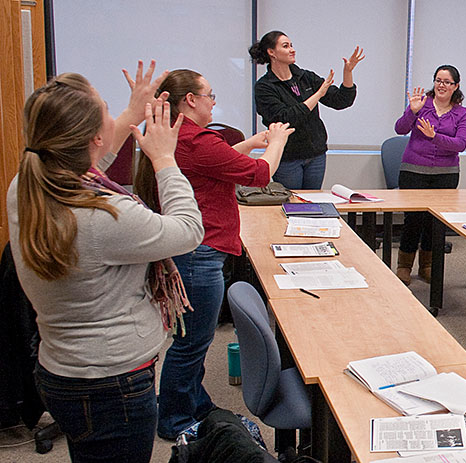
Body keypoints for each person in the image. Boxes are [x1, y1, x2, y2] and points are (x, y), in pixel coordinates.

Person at [10, 69, 203, 463]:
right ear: (92, 145)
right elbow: (186, 232)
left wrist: (126, 113)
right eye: (106, 122)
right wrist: (167, 162)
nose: (113, 129)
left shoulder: (30, 183)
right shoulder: (105, 218)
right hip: (112, 387)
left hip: (64, 374)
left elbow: (90, 146)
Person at [132, 69, 294, 440]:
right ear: (191, 100)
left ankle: (194, 402)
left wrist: (254, 140)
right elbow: (259, 175)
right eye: (210, 95)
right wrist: (277, 141)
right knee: (191, 345)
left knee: (194, 340)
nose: (214, 101)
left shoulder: (184, 138)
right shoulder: (196, 140)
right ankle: (174, 419)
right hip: (199, 255)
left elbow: (220, 162)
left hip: (194, 252)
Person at [249, 31, 363, 189]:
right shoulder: (265, 86)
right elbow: (285, 118)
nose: (292, 49)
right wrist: (317, 95)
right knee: (291, 204)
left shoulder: (305, 77)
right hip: (287, 157)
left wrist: (347, 73)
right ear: (271, 52)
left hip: (315, 154)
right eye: (285, 46)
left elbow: (341, 101)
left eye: (291, 45)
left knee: (312, 204)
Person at [392, 65, 466, 284]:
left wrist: (434, 136)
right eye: (438, 80)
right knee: (413, 220)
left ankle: (427, 265)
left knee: (435, 223)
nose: (441, 85)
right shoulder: (422, 104)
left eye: (446, 82)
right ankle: (404, 266)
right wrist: (412, 111)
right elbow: (400, 129)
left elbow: (460, 144)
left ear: (456, 86)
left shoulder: (461, 113)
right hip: (413, 171)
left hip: (445, 174)